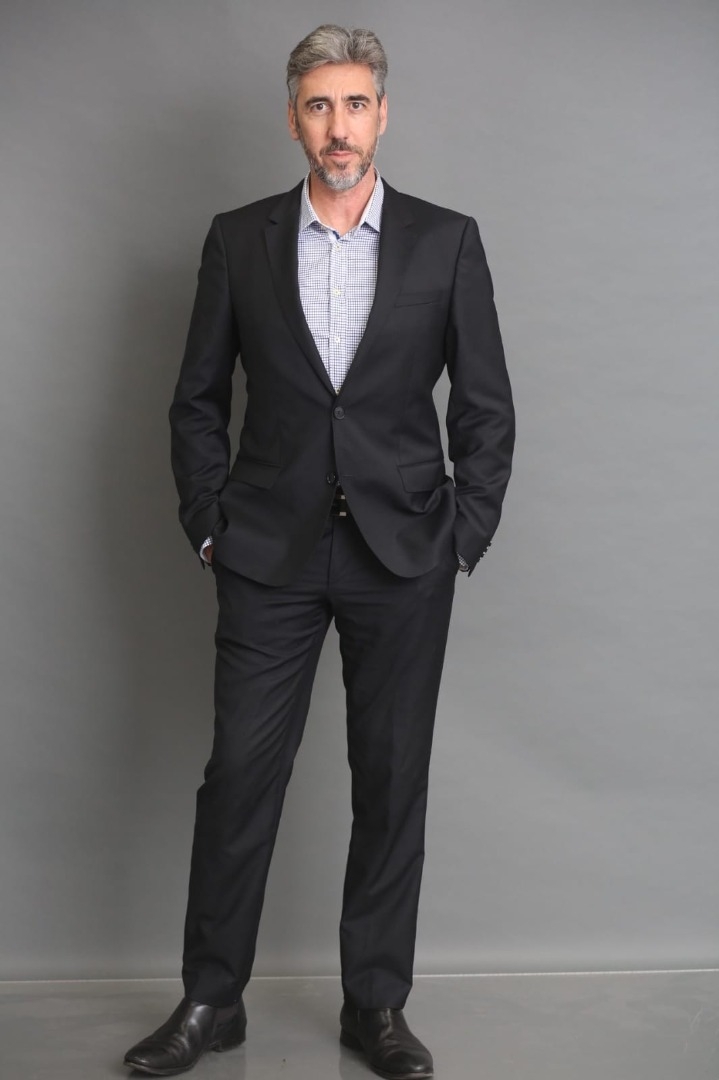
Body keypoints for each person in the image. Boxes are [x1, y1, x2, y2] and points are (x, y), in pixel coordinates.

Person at [123, 23, 514, 1080]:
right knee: (238, 777)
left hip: (403, 554)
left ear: (382, 115)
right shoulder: (238, 239)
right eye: (317, 106)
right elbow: (196, 400)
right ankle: (212, 1001)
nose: (337, 127)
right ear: (291, 118)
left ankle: (373, 1006)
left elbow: (484, 406)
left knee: (390, 782)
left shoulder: (445, 241)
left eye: (353, 105)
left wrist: (461, 535)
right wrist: (208, 521)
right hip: (267, 553)